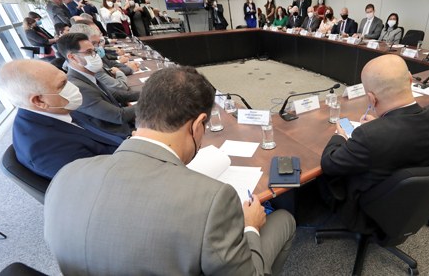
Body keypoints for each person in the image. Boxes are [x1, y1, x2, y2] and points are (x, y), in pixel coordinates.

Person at [44, 66, 296, 275]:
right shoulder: (213, 199)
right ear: (198, 126)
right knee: (284, 219)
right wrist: (250, 227)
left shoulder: (66, 174)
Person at [320, 54, 429, 229]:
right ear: (410, 80)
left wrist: (340, 136)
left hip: (369, 208)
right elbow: (402, 131)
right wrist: (380, 125)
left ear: (372, 99)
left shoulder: (369, 136)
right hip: (413, 199)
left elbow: (329, 163)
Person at [0, 60, 121, 179]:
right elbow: (109, 178)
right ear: (39, 101)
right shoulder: (46, 149)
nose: (73, 87)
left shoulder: (54, 108)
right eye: (63, 84)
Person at [58, 33, 138, 139]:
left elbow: (117, 95)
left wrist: (152, 92)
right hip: (121, 135)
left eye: (94, 51)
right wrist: (154, 100)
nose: (95, 55)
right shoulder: (77, 86)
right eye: (89, 52)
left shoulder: (87, 75)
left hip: (126, 126)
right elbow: (119, 116)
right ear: (73, 57)